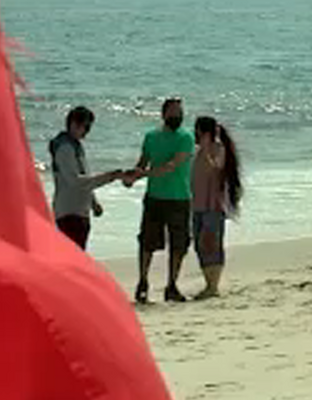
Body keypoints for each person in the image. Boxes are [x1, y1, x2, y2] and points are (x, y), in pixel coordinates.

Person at [126, 98, 195, 303]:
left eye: (180, 112)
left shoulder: (186, 137)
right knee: (146, 242)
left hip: (179, 197)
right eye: (173, 112)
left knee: (179, 244)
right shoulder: (151, 137)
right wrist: (131, 176)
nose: (177, 116)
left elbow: (171, 166)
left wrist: (143, 174)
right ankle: (142, 282)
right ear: (164, 114)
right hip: (154, 197)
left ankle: (171, 285)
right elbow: (142, 162)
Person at [47, 106, 128, 249]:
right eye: (86, 127)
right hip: (69, 213)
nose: (87, 132)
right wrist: (110, 176)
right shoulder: (65, 147)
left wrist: (93, 202)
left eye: (89, 127)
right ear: (73, 124)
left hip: (78, 212)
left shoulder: (75, 145)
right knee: (73, 257)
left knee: (77, 255)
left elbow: (84, 176)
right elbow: (75, 181)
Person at [190, 116, 243, 300]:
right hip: (197, 205)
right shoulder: (197, 151)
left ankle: (213, 286)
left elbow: (215, 169)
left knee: (211, 243)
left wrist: (206, 149)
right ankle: (209, 284)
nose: (194, 134)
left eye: (197, 130)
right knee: (199, 245)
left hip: (213, 205)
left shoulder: (219, 149)